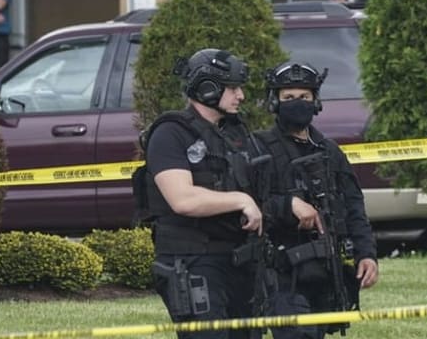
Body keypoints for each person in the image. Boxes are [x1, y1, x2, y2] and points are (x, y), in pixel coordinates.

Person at [139, 48, 266, 339]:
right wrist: (241, 200)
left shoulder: (235, 135)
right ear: (208, 87)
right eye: (233, 87)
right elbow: (182, 200)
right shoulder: (170, 133)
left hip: (237, 259)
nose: (241, 95)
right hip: (192, 259)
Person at [254, 61, 379, 338]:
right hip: (283, 272)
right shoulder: (259, 148)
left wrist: (366, 254)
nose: (297, 103)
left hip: (326, 269)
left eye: (304, 97)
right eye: (288, 98)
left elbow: (353, 206)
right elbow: (247, 206)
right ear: (274, 102)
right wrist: (288, 206)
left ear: (315, 101)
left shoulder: (329, 150)